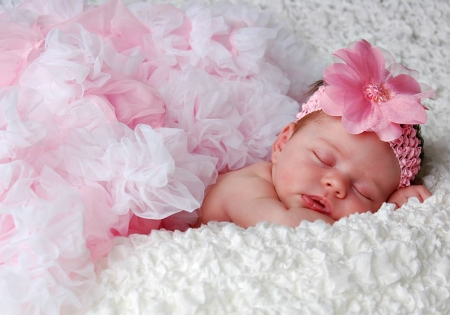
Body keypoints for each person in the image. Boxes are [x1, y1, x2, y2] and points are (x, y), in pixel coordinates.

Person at [193, 39, 435, 228]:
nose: (336, 184)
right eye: (323, 158)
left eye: (364, 192)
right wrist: (388, 211)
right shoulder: (245, 186)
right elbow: (288, 227)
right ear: (283, 143)